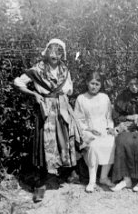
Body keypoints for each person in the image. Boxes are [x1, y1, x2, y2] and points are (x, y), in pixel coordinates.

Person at [12, 38, 84, 202]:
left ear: (62, 55)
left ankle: (67, 174)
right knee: (44, 145)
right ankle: (41, 184)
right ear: (47, 52)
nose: (54, 55)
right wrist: (34, 94)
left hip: (62, 109)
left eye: (58, 52)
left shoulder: (65, 70)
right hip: (45, 111)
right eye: (52, 51)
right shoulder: (38, 69)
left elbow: (70, 89)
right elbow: (18, 82)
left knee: (65, 141)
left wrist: (63, 95)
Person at [110, 76, 138, 192]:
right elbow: (116, 116)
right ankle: (126, 179)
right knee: (122, 142)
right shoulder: (122, 97)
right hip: (127, 128)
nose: (134, 87)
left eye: (136, 84)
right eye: (131, 84)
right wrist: (129, 117)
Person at [73, 71, 115, 193]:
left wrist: (109, 129)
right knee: (94, 146)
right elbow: (78, 119)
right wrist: (89, 129)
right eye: (92, 83)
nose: (94, 86)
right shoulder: (81, 98)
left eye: (97, 84)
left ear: (100, 85)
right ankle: (92, 181)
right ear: (87, 83)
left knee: (111, 142)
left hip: (104, 129)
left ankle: (103, 177)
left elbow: (109, 118)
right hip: (88, 130)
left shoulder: (105, 97)